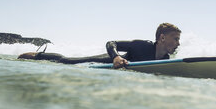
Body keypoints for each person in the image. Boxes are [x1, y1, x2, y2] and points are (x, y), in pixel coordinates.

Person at [17, 23, 181, 68]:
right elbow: (111, 43)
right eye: (175, 39)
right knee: (67, 61)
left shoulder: (165, 58)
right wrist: (115, 57)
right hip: (104, 61)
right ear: (162, 37)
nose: (177, 43)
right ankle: (38, 55)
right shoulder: (142, 46)